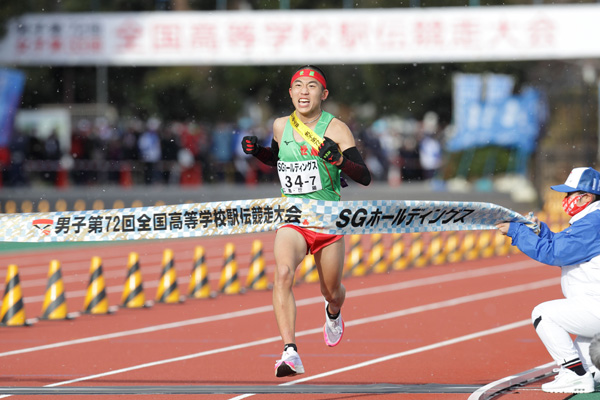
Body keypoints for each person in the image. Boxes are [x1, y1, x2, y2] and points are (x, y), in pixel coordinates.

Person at [241, 65, 371, 377]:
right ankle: (290, 351)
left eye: (311, 86)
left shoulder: (337, 129)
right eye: (298, 85)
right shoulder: (280, 125)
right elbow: (276, 159)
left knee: (331, 290)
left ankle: (334, 310)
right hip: (294, 218)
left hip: (327, 222)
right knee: (283, 274)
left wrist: (339, 160)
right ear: (290, 93)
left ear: (323, 95)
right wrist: (257, 151)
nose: (303, 91)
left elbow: (364, 176)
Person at [496, 167, 600, 394]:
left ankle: (575, 376)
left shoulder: (593, 223)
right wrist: (538, 230)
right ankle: (586, 372)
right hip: (593, 305)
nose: (565, 199)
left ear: (586, 196)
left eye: (569, 194)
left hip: (596, 306)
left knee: (544, 314)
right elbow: (562, 242)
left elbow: (555, 253)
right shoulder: (592, 220)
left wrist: (517, 232)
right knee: (590, 365)